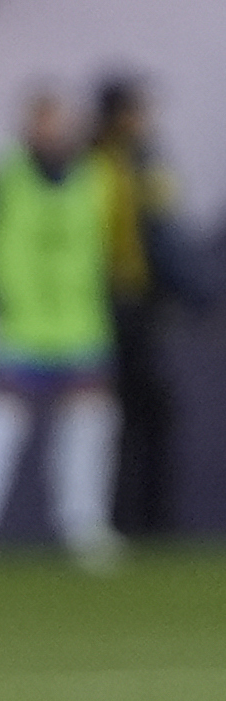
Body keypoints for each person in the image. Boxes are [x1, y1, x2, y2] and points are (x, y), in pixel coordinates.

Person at [0, 88, 122, 575]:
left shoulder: (96, 175)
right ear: (28, 124)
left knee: (88, 424)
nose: (54, 131)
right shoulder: (0, 173)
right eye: (45, 121)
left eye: (61, 121)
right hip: (20, 323)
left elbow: (109, 245)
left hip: (79, 321)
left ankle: (85, 528)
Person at [91, 74, 199, 538]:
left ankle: (151, 525)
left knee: (148, 413)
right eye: (136, 111)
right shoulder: (101, 164)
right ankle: (121, 523)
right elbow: (152, 237)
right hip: (107, 307)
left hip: (140, 306)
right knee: (117, 418)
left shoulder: (144, 160)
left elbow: (166, 233)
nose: (144, 120)